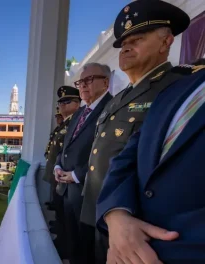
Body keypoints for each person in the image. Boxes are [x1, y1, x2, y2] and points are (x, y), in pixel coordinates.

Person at [79, 1, 192, 263]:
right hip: (102, 211)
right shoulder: (119, 98)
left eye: (138, 38)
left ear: (166, 42)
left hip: (137, 224)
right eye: (123, 42)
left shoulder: (179, 87)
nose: (127, 46)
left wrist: (117, 209)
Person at [97, 64, 205, 263]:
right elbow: (129, 156)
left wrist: (148, 248)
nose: (127, 47)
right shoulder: (176, 89)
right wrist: (117, 216)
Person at [54, 63, 113, 264]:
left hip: (90, 191)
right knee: (74, 245)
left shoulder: (112, 108)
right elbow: (66, 146)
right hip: (68, 190)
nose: (83, 85)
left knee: (88, 250)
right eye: (81, 82)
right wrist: (57, 165)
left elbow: (110, 152)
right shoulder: (80, 112)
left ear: (105, 82)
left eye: (89, 80)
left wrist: (77, 175)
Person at [43, 87, 80, 259]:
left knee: (66, 217)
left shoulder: (76, 122)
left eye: (67, 102)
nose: (62, 105)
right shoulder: (64, 124)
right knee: (59, 211)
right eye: (60, 102)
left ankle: (66, 247)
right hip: (57, 172)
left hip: (67, 177)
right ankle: (61, 239)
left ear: (78, 103)